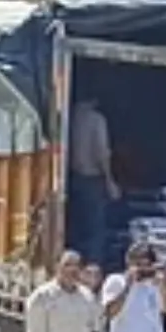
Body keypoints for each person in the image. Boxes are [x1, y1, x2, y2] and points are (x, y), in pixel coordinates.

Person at [67, 95, 117, 255]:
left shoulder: (70, 118)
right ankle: (93, 267)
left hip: (73, 178)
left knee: (76, 227)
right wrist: (110, 182)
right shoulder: (96, 119)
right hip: (91, 178)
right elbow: (101, 152)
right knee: (95, 230)